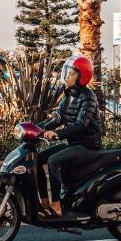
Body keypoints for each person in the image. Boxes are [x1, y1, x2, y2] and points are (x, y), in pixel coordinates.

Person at [40, 54, 102, 216]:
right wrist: (36, 129)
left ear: (82, 77)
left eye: (72, 73)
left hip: (87, 146)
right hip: (74, 144)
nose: (67, 76)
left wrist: (57, 134)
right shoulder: (68, 95)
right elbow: (58, 117)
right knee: (38, 158)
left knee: (53, 161)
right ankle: (44, 201)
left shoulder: (88, 97)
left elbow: (82, 124)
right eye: (67, 72)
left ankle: (57, 206)